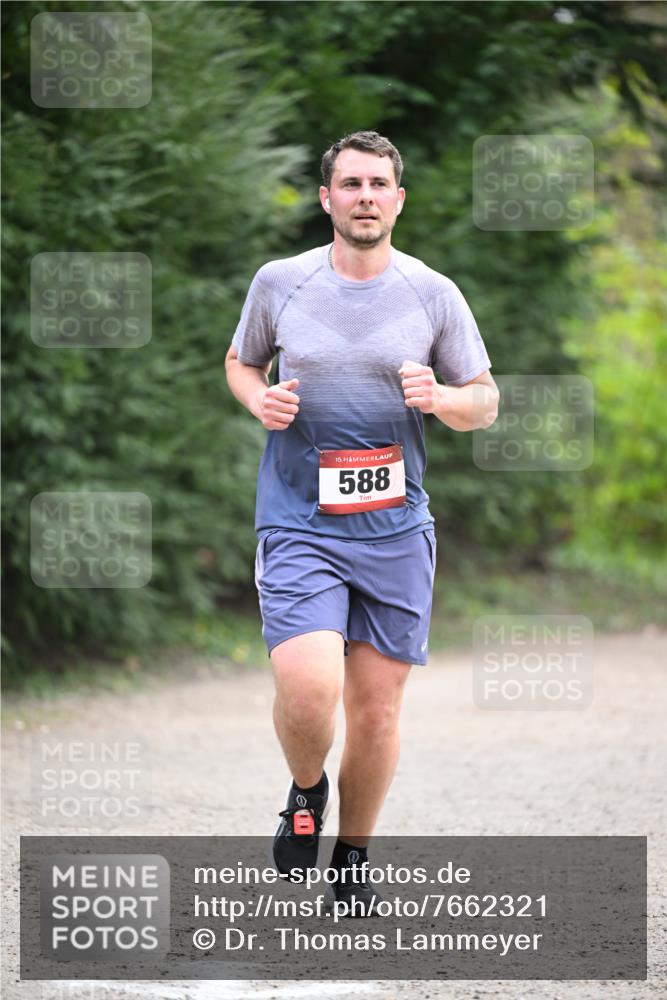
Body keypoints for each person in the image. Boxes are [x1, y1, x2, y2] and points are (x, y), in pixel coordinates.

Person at [225, 130, 498, 915]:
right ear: (327, 198)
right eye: (350, 184)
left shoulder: (432, 292)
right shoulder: (281, 282)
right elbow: (241, 361)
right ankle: (305, 791)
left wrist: (442, 401)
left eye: (379, 184)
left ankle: (353, 854)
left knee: (376, 710)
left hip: (395, 530)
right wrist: (258, 398)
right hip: (300, 520)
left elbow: (484, 399)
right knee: (308, 692)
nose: (365, 196)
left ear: (399, 199)